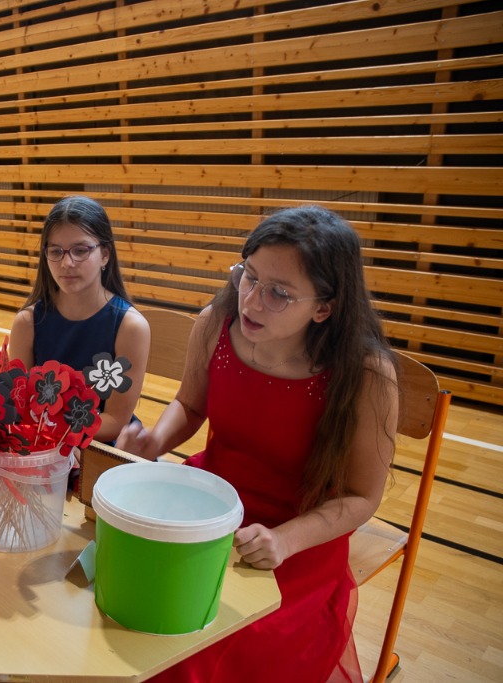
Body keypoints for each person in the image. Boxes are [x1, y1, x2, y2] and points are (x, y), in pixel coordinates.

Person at [117, 205, 399, 683]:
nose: (250, 300)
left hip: (298, 535)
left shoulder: (367, 375)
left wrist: (284, 540)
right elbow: (190, 404)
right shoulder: (215, 323)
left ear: (324, 307)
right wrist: (155, 439)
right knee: (134, 603)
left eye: (279, 293)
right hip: (208, 506)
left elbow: (361, 497)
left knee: (206, 644)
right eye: (248, 276)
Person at [8, 195, 150, 444]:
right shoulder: (26, 323)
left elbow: (115, 421)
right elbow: (21, 405)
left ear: (105, 254)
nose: (67, 263)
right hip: (44, 447)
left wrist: (55, 433)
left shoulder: (131, 327)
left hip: (101, 448)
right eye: (56, 251)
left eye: (81, 250)